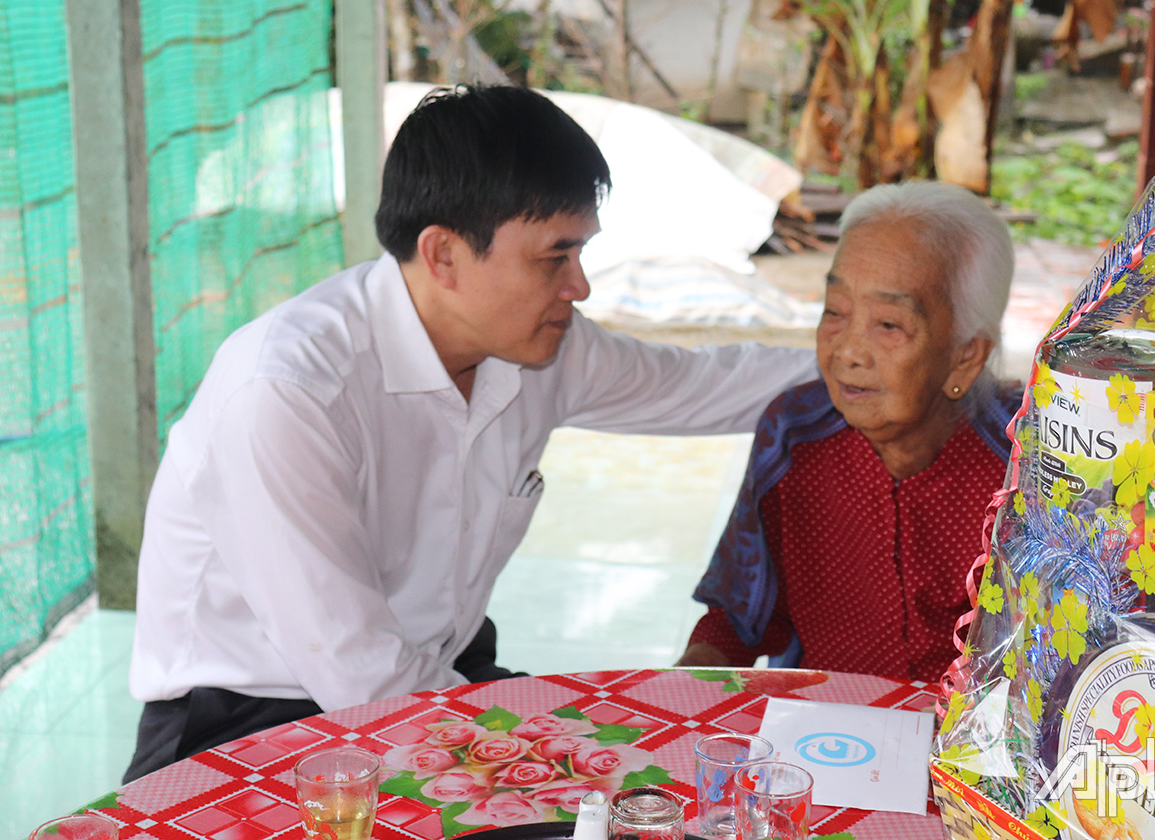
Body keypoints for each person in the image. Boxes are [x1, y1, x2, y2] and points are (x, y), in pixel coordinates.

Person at [124, 85, 816, 781]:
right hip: (248, 717)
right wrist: (556, 765)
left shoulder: (542, 349)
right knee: (604, 794)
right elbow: (357, 670)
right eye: (555, 257)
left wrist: (871, 364)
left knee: (660, 792)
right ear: (444, 255)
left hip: (435, 671)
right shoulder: (288, 394)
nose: (580, 286)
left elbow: (703, 385)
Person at [676, 181, 1018, 683]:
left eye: (889, 325)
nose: (847, 352)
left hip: (971, 749)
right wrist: (680, 690)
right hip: (815, 737)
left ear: (966, 354)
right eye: (835, 312)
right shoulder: (794, 438)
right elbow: (741, 616)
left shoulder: (1028, 463)